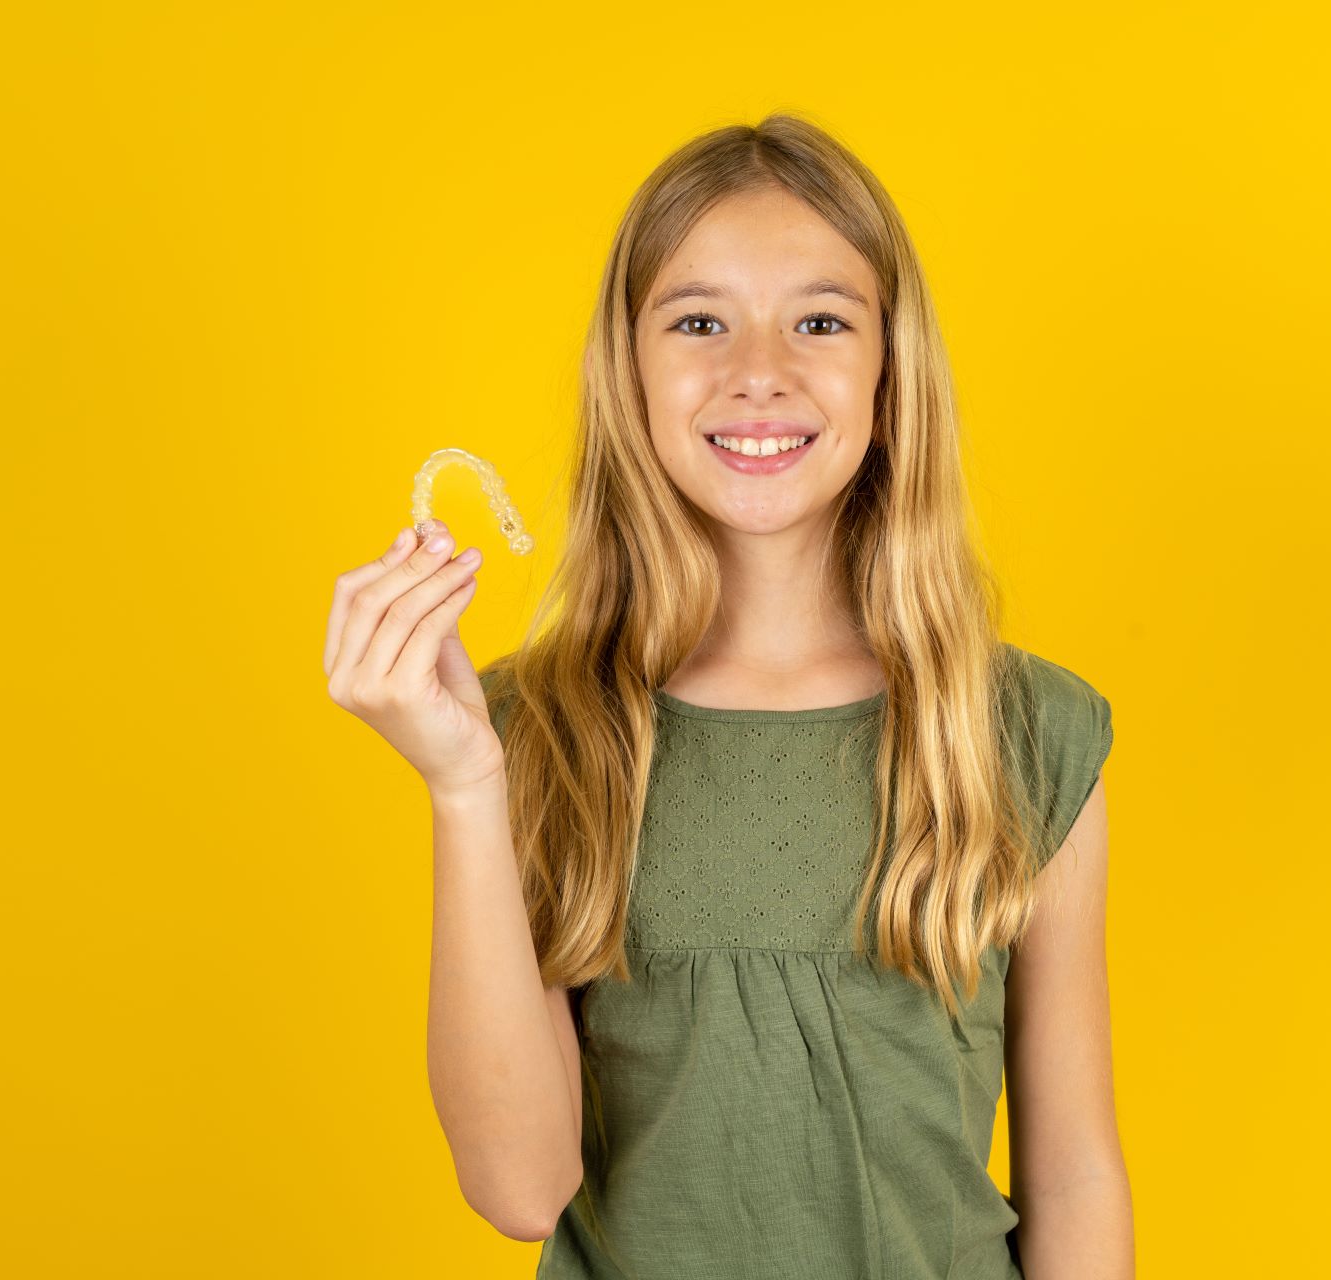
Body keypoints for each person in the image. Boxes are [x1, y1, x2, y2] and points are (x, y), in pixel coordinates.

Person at [323, 114, 1130, 1280]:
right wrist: (461, 788)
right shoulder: (530, 735)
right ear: (629, 367)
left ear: (890, 369)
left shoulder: (1023, 730)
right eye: (700, 320)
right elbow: (517, 1185)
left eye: (820, 320)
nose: (760, 371)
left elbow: (1075, 1172)